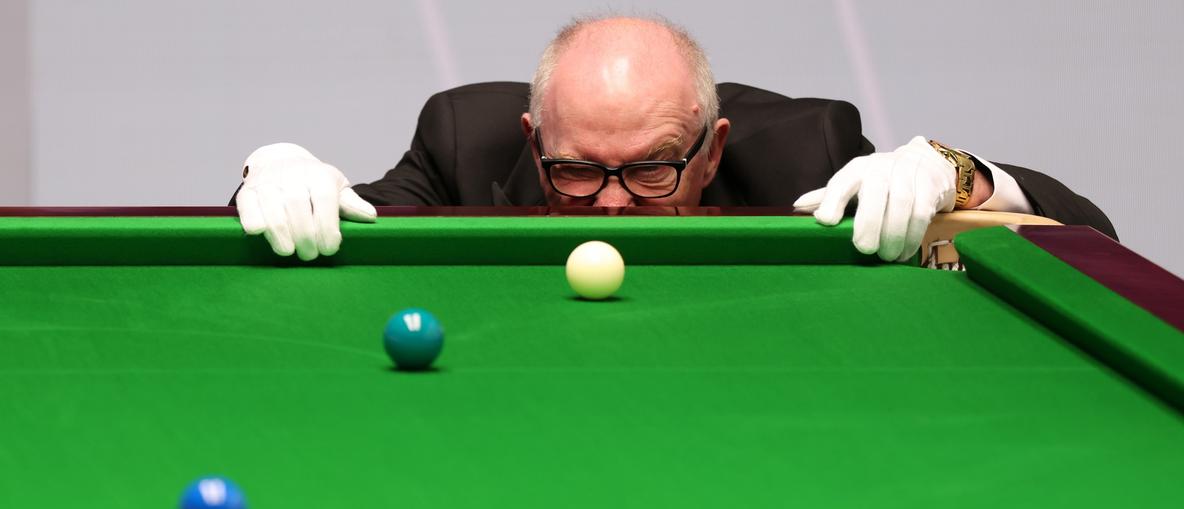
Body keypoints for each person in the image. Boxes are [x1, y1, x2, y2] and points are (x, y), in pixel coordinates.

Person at [233, 14, 1114, 263]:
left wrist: (955, 174)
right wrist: (273, 171)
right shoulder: (464, 136)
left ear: (715, 146)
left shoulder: (811, 148)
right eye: (576, 171)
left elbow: (1091, 235)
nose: (612, 204)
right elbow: (332, 219)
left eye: (653, 169)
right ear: (534, 140)